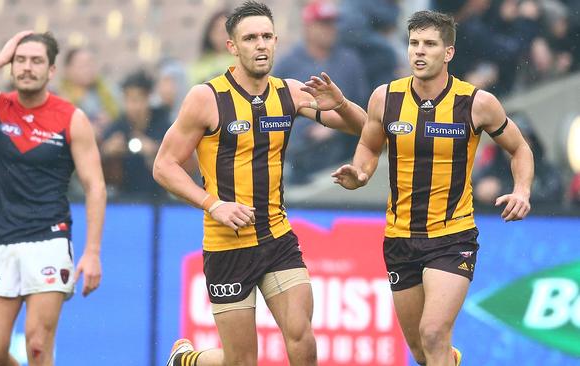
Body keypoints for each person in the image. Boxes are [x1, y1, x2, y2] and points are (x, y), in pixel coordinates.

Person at [153, 2, 366, 365]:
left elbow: (364, 127)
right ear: (232, 46)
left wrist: (342, 103)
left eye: (267, 36)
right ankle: (188, 360)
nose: (261, 44)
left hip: (277, 238)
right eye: (250, 38)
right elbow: (164, 166)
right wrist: (214, 205)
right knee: (242, 360)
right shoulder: (207, 98)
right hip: (226, 247)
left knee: (303, 341)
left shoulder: (291, 92)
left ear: (277, 41)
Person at [332, 10, 534, 366]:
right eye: (413, 43)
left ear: (448, 53)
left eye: (429, 44)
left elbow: (520, 148)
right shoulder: (386, 98)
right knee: (423, 352)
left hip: (452, 236)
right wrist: (360, 174)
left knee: (433, 333)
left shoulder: (477, 103)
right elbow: (368, 146)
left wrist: (521, 190)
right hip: (399, 238)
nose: (419, 52)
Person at [0, 31, 106, 366]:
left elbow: (95, 186)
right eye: (20, 60)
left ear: (51, 70)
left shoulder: (72, 118)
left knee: (38, 346)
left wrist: (93, 252)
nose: (27, 68)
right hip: (0, 239)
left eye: (37, 61)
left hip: (49, 238)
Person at [275, 0, 369, 185]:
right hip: (295, 150)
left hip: (340, 146)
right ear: (308, 27)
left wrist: (331, 126)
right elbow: (272, 105)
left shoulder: (349, 60)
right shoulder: (289, 62)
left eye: (332, 23)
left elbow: (362, 104)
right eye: (323, 23)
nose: (330, 29)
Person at [101, 69, 170, 200]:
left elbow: (184, 162)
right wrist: (107, 152)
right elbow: (96, 166)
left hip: (161, 200)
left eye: (138, 99)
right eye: (129, 100)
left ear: (148, 98)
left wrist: (155, 151)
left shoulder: (163, 123)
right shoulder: (118, 127)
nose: (134, 106)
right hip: (124, 201)